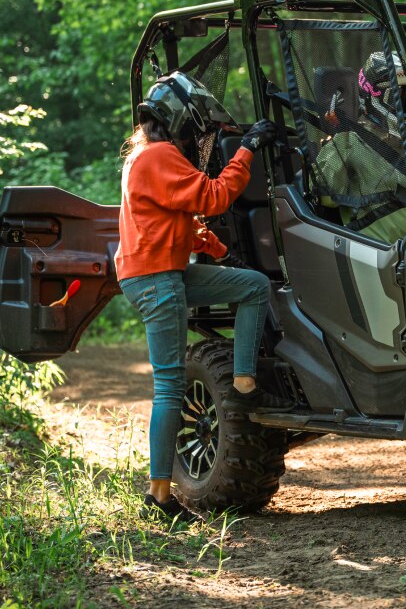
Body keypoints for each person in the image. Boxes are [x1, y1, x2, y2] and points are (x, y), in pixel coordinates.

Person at [115, 71, 293, 526]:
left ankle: (243, 382)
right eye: (197, 127)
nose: (201, 136)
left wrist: (219, 251)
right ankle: (159, 497)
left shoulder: (147, 157)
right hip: (157, 280)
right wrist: (249, 147)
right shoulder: (158, 156)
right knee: (170, 385)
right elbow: (212, 198)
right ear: (178, 121)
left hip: (165, 272)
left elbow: (184, 217)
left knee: (252, 285)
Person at [311, 51, 406, 244]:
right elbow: (324, 198)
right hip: (378, 258)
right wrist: (341, 129)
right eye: (405, 99)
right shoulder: (347, 145)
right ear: (373, 97)